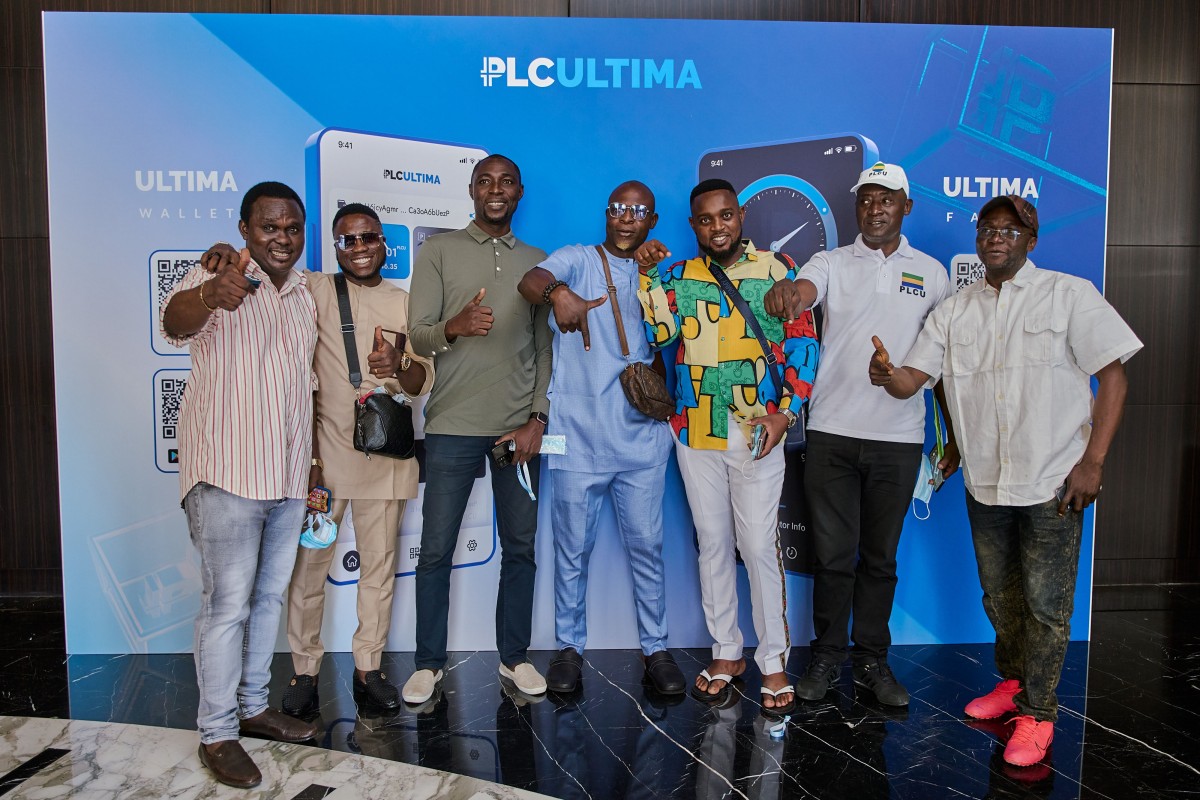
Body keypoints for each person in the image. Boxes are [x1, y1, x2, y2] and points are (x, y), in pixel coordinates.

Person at [869, 194, 1141, 765]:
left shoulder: (1069, 295)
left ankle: (1039, 714)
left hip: (1053, 480)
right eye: (988, 229)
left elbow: (1113, 378)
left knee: (1046, 604)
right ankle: (1015, 685)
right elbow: (913, 379)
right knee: (1000, 596)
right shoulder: (955, 310)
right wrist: (887, 375)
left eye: (1010, 230)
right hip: (986, 482)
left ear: (1031, 242)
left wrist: (1093, 462)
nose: (996, 237)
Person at [763, 162, 956, 707]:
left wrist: (949, 436)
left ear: (906, 207)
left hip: (900, 437)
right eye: (867, 199)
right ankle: (826, 657)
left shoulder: (932, 274)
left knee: (880, 558)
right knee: (832, 558)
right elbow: (805, 290)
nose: (875, 209)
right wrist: (790, 293)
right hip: (832, 432)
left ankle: (872, 660)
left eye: (886, 199)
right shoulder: (831, 261)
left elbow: (945, 358)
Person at [634, 178, 818, 716]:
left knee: (758, 546)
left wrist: (786, 412)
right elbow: (660, 337)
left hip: (757, 431)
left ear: (741, 216)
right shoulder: (677, 275)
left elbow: (804, 345)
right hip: (696, 431)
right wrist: (648, 277)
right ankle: (727, 652)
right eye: (706, 219)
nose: (718, 226)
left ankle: (774, 660)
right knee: (713, 543)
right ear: (694, 225)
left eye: (726, 215)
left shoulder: (778, 269)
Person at [160, 181, 318, 789]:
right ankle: (217, 732)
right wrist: (208, 292)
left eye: (292, 228)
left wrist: (310, 468)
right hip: (226, 473)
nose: (282, 238)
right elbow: (174, 322)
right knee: (227, 606)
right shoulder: (217, 275)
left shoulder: (304, 294)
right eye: (269, 227)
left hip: (286, 475)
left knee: (268, 599)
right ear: (245, 229)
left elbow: (303, 385)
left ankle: (252, 707)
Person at [515, 180, 685, 696]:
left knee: (647, 549)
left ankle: (656, 648)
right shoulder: (578, 259)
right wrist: (558, 293)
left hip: (641, 440)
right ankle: (569, 648)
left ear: (652, 220)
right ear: (606, 214)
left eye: (638, 210)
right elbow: (530, 281)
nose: (627, 217)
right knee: (571, 551)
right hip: (578, 435)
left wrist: (653, 274)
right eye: (618, 208)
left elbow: (673, 338)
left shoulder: (661, 272)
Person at [404, 155, 553, 703]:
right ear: (471, 189)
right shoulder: (438, 251)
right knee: (435, 550)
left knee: (521, 548)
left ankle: (515, 658)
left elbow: (545, 349)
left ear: (519, 192)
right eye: (485, 181)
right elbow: (418, 337)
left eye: (506, 182)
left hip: (517, 432)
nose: (496, 190)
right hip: (452, 426)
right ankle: (428, 664)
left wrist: (537, 418)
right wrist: (455, 326)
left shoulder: (538, 262)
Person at [281, 203, 434, 715]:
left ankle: (368, 669)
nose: (360, 247)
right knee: (308, 571)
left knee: (379, 570)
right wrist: (222, 254)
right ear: (335, 246)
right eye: (348, 240)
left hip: (387, 461)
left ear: (384, 243)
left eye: (369, 237)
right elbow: (263, 267)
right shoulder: (313, 290)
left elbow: (421, 382)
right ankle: (304, 671)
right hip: (324, 467)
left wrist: (399, 362)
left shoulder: (405, 302)